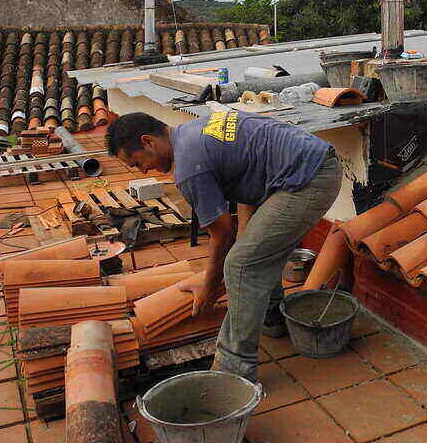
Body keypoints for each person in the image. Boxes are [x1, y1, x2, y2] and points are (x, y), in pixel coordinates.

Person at [107, 111, 341, 382]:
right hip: (309, 165)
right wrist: (246, 235)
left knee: (241, 264)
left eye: (137, 163)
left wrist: (209, 286)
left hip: (308, 180)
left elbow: (221, 234)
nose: (143, 171)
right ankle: (272, 317)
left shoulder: (190, 167)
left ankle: (234, 367)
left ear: (148, 142)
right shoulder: (195, 130)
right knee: (253, 250)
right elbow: (248, 177)